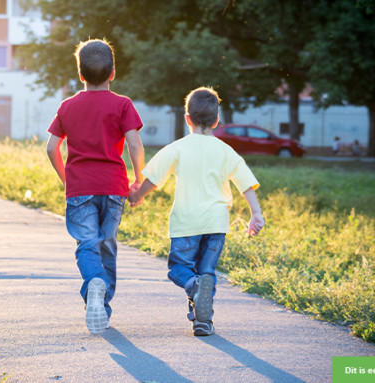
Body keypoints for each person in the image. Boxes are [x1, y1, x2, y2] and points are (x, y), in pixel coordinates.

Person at [129, 87, 264, 336]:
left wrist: (136, 195)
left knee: (179, 269)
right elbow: (245, 183)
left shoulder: (177, 148)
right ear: (216, 120)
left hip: (186, 223)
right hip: (216, 224)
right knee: (206, 273)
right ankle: (203, 321)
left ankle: (192, 288)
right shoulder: (226, 150)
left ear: (187, 118)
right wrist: (256, 214)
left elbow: (153, 178)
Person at [46, 39, 145, 335]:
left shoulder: (67, 106)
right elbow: (135, 145)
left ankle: (94, 286)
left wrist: (67, 179)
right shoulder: (123, 104)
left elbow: (51, 148)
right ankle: (102, 306)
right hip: (114, 188)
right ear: (112, 73)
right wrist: (138, 180)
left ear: (80, 75)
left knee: (86, 245)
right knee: (107, 245)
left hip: (80, 189)